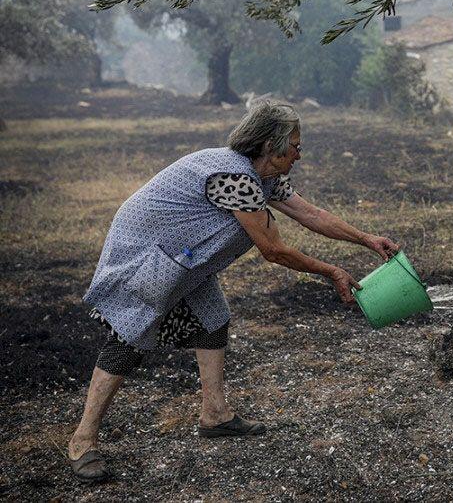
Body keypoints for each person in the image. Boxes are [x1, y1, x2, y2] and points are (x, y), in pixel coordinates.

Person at [67, 100, 399, 481]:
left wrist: (367, 240)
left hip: (188, 258)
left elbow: (311, 215)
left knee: (212, 321)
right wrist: (332, 271)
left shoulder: (266, 177)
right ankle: (83, 440)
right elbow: (273, 250)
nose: (300, 153)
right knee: (130, 338)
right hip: (149, 255)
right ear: (270, 146)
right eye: (295, 144)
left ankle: (215, 415)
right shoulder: (235, 177)